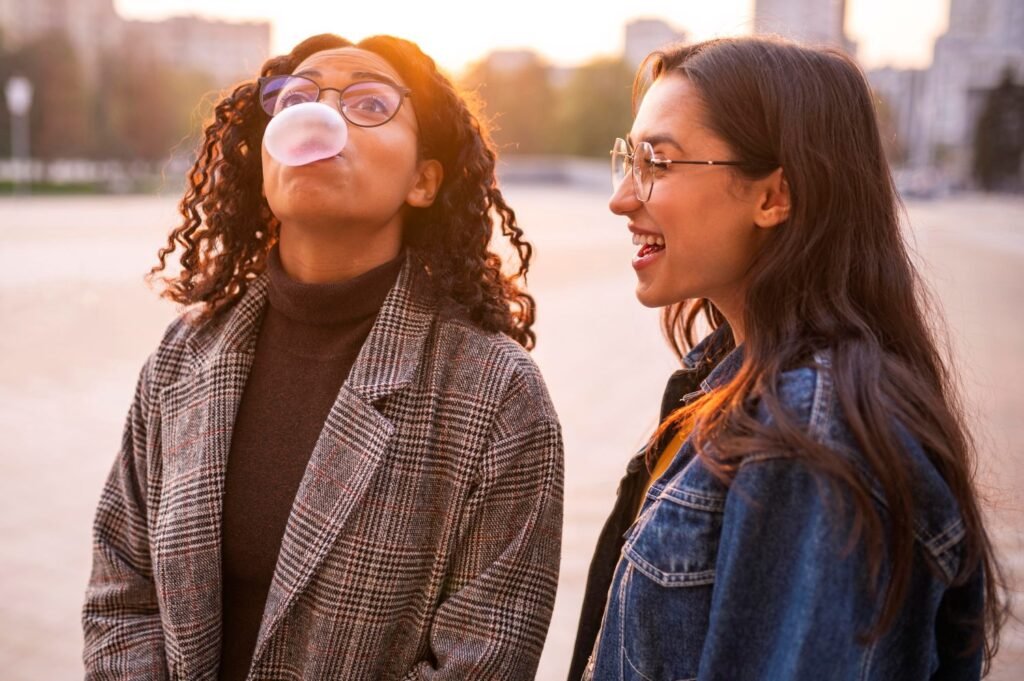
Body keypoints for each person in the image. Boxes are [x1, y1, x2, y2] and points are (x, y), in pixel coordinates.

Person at [83, 33, 563, 680]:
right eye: (296, 101)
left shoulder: (498, 393)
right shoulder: (183, 357)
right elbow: (122, 593)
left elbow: (483, 656)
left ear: (423, 179)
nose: (321, 118)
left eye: (368, 104)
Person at [569, 36, 1006, 681]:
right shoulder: (737, 384)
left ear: (774, 196)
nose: (623, 198)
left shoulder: (809, 439)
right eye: (627, 159)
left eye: (657, 163)